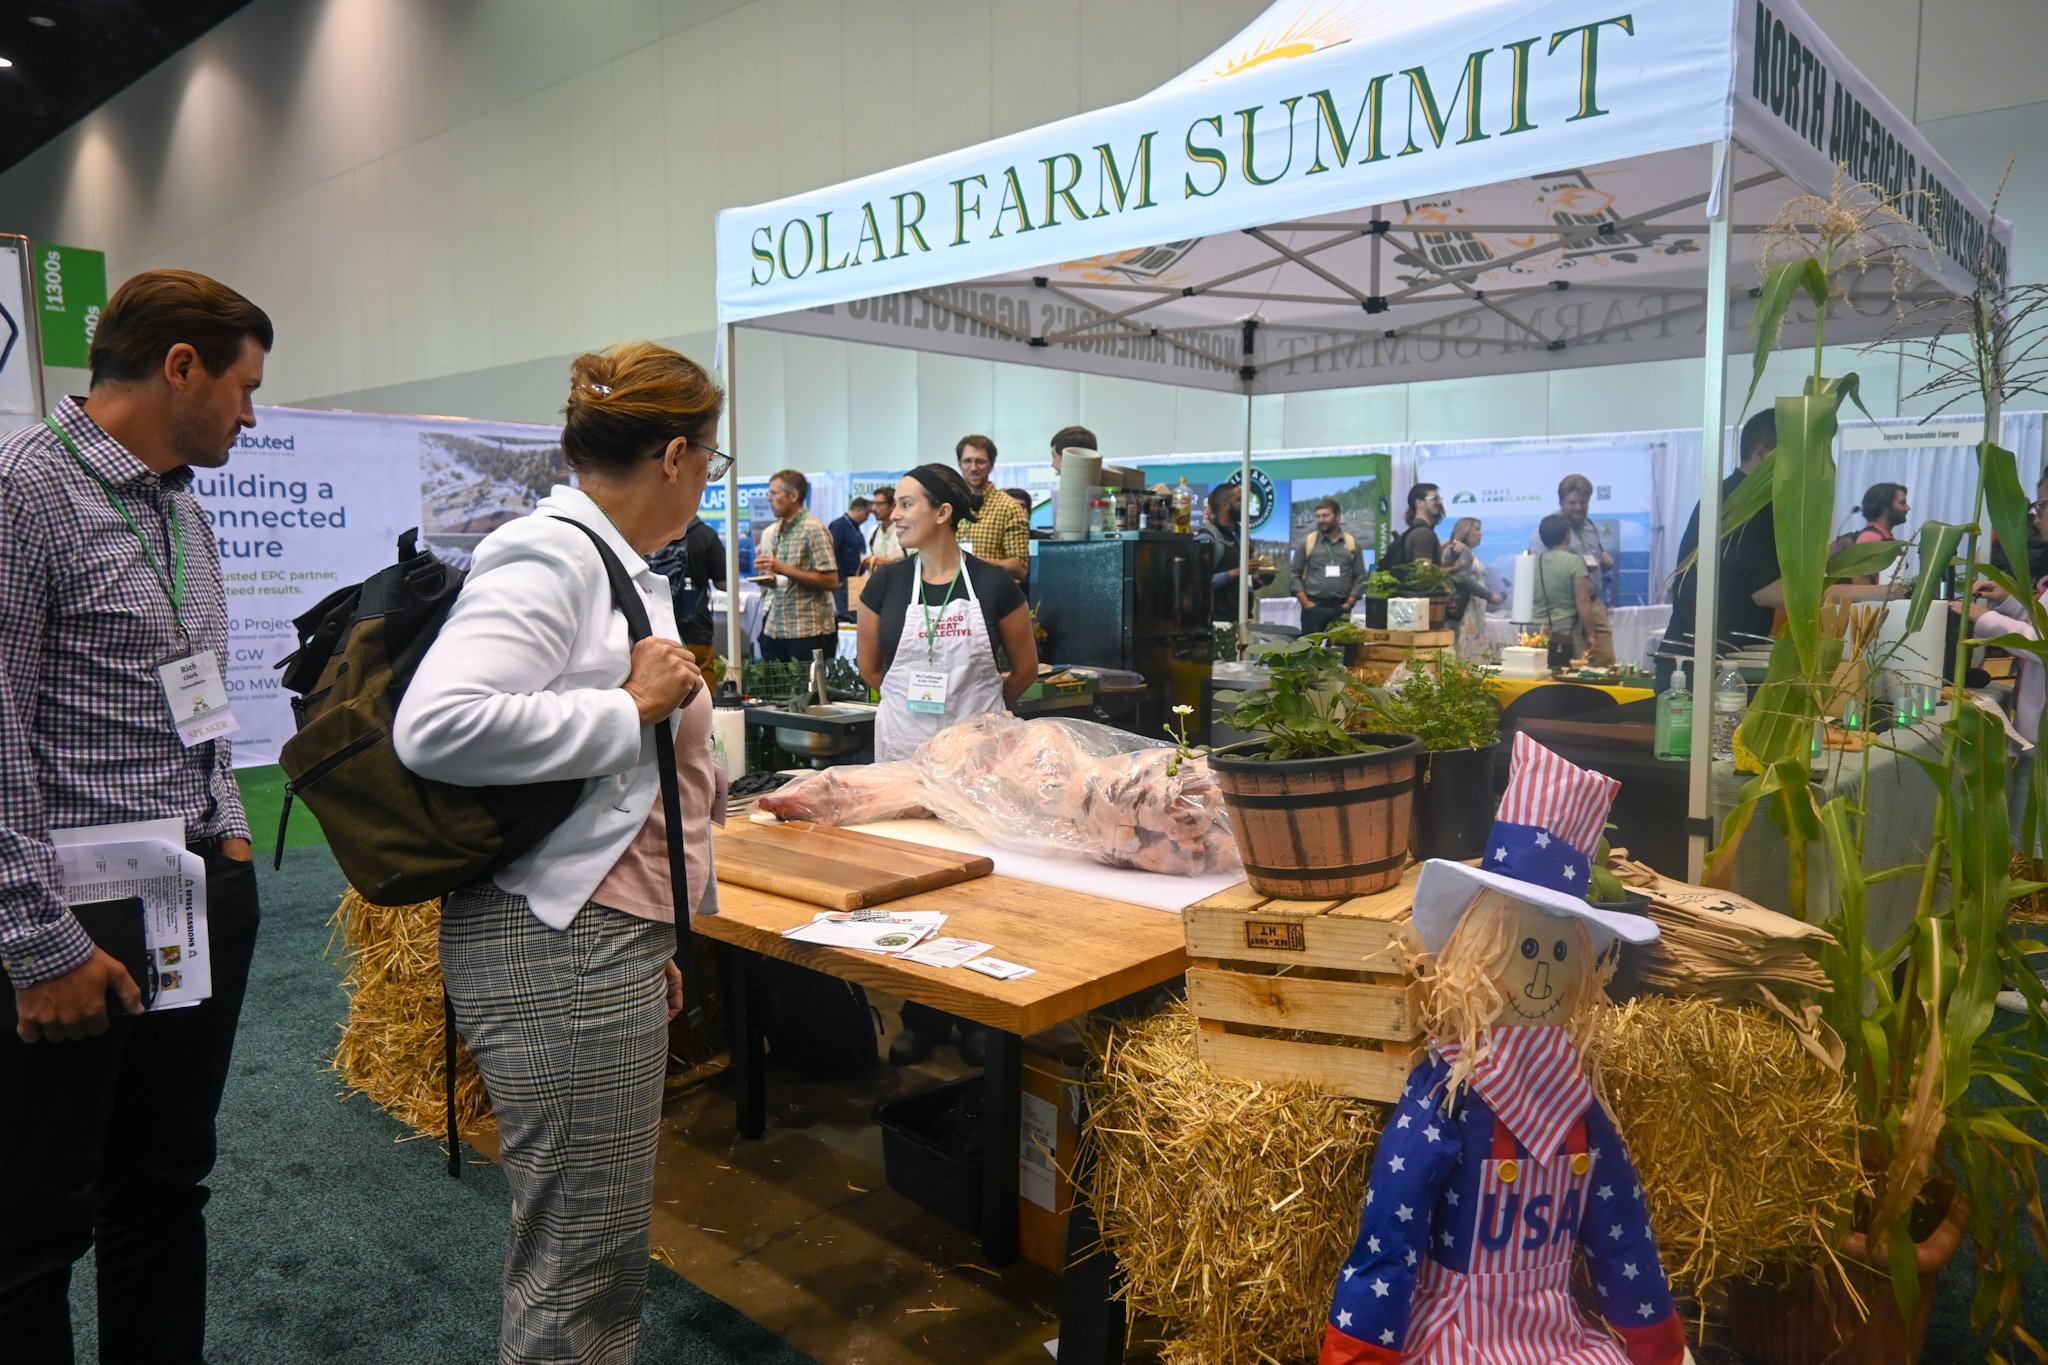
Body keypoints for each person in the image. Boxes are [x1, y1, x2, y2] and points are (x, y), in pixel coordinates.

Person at [394, 341, 724, 1364]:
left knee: (594, 1259)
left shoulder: (608, 563)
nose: (708, 475)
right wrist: (627, 705)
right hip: (557, 946)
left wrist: (652, 936)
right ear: (675, 453)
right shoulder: (555, 555)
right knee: (579, 1267)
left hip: (595, 937)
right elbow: (436, 726)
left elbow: (628, 797)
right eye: (710, 455)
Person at [0, 269, 272, 1364]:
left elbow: (195, 695)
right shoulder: (22, 490)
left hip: (192, 893)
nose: (251, 414)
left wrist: (230, 832)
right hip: (75, 916)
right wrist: (33, 938)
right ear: (180, 367)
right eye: (245, 387)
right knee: (33, 1223)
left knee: (165, 1186)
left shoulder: (181, 507)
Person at [857, 464, 1037, 1067]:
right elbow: (871, 669)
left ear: (943, 513)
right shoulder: (884, 585)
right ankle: (924, 1017)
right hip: (903, 755)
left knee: (981, 884)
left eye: (907, 505)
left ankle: (981, 1015)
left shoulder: (993, 585)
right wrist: (915, 718)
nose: (896, 514)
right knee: (910, 886)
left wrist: (984, 720)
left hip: (979, 758)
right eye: (895, 505)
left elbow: (1025, 667)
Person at [1657, 411, 1783, 687]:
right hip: (1700, 670)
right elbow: (1766, 592)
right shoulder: (1737, 505)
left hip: (1724, 664)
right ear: (1762, 453)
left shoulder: (1747, 500)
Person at [1528, 473, 1616, 665]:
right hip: (1565, 608)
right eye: (1573, 502)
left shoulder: (1591, 527)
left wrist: (1605, 564)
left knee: (1605, 659)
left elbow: (1595, 560)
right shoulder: (1548, 529)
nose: (1579, 507)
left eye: (1584, 502)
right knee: (1567, 664)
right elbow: (1541, 568)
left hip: (1593, 602)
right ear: (1561, 502)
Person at [754, 468, 840, 663]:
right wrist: (768, 577)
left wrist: (781, 568)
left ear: (793, 496)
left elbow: (831, 580)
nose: (769, 498)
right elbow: (787, 578)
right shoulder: (777, 529)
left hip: (807, 630)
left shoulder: (813, 528)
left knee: (809, 692)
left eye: (774, 493)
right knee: (775, 691)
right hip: (776, 627)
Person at [648, 515, 725, 667]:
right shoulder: (705, 534)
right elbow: (724, 583)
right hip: (696, 629)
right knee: (701, 683)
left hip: (658, 630)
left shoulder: (653, 533)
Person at [951, 435, 1030, 582]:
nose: (973, 468)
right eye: (968, 461)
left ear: (991, 465)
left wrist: (975, 563)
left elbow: (1020, 569)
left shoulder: (1009, 507)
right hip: (951, 594)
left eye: (980, 461)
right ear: (959, 464)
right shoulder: (949, 506)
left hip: (991, 595)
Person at [1198, 483, 1274, 622]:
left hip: (1244, 619)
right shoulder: (1208, 537)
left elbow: (1244, 582)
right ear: (1225, 505)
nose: (1246, 504)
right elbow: (1200, 583)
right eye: (1240, 500)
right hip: (1218, 623)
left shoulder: (1243, 537)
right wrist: (1237, 572)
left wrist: (1260, 580)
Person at [1290, 498, 1367, 634]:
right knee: (1311, 653)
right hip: (1313, 608)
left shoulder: (1351, 544)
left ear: (1337, 516)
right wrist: (1305, 602)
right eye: (1318, 516)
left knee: (1339, 653)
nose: (1321, 520)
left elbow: (1360, 576)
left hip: (1341, 608)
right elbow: (1295, 573)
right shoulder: (1308, 542)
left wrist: (1349, 603)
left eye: (1325, 515)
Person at [1441, 517, 1505, 661]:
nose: (1480, 533)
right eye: (1477, 529)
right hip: (1465, 612)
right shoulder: (1461, 550)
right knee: (1464, 655)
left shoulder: (1465, 551)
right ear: (1465, 531)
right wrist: (1489, 595)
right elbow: (1461, 579)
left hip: (1471, 613)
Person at [1534, 513, 1598, 650]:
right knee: (1569, 669)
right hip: (1565, 630)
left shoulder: (1533, 562)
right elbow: (1583, 602)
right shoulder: (1575, 562)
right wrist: (1591, 634)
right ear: (1567, 535)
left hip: (1535, 629)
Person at [826, 495, 872, 621]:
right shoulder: (839, 526)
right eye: (867, 514)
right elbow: (832, 553)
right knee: (846, 616)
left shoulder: (855, 527)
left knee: (855, 615)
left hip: (855, 580)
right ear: (858, 510)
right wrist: (838, 578)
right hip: (843, 580)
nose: (867, 518)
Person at [1382, 482, 1445, 571]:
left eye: (1439, 499)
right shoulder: (1424, 534)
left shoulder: (1412, 532)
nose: (1439, 503)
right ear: (1419, 503)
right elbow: (1423, 574)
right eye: (1435, 499)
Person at [862, 485, 902, 568]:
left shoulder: (904, 531)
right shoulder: (874, 532)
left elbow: (912, 560)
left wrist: (878, 561)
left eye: (879, 504)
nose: (873, 508)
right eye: (873, 504)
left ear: (892, 506)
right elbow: (867, 561)